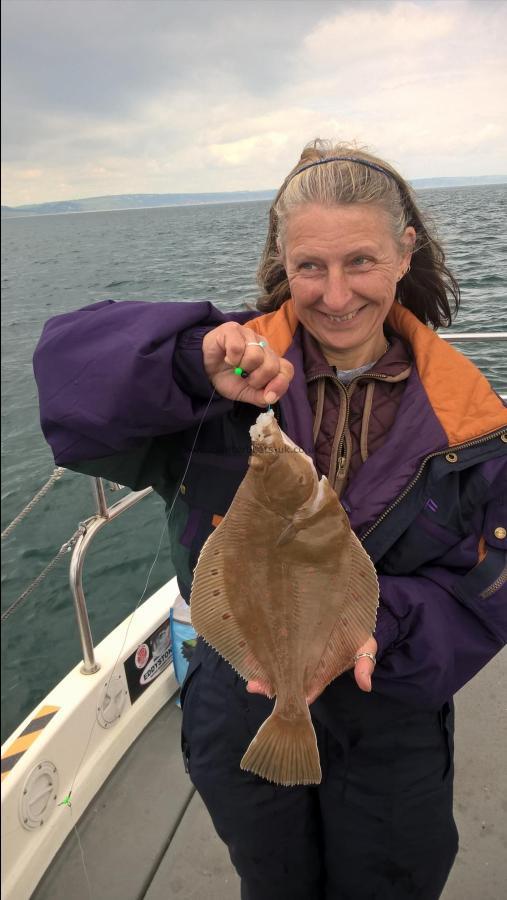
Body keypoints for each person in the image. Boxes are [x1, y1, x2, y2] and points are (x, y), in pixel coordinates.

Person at [33, 140, 507, 900]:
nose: (335, 293)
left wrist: (372, 630)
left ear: (403, 252)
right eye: (309, 266)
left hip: (389, 711)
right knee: (273, 880)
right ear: (279, 258)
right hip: (242, 693)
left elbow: (484, 591)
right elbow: (69, 379)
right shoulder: (224, 381)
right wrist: (187, 362)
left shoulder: (472, 423)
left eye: (360, 261)